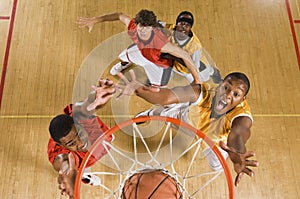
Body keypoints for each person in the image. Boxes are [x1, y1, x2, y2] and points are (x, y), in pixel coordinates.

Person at [116, 70, 259, 186]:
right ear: (220, 85)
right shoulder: (202, 92)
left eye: (236, 94)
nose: (228, 95)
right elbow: (165, 97)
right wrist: (138, 90)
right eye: (226, 87)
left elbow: (238, 135)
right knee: (166, 115)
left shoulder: (242, 117)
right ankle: (152, 113)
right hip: (191, 120)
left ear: (242, 99)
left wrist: (236, 155)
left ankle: (172, 111)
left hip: (214, 141)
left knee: (217, 167)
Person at [76, 9, 201, 87]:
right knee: (123, 56)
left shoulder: (160, 43)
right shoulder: (133, 27)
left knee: (157, 88)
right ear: (137, 24)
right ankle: (124, 65)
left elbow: (184, 55)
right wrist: (95, 20)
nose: (142, 31)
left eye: (147, 28)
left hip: (158, 65)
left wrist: (197, 79)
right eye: (141, 26)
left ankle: (151, 85)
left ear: (152, 28)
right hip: (142, 52)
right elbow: (119, 15)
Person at [47, 79, 115, 198]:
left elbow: (84, 107)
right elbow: (62, 162)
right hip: (84, 161)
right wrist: (67, 173)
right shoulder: (62, 154)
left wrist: (96, 98)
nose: (81, 142)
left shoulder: (81, 118)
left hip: (99, 140)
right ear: (63, 147)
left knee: (108, 137)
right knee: (83, 169)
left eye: (79, 133)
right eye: (72, 143)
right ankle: (85, 176)